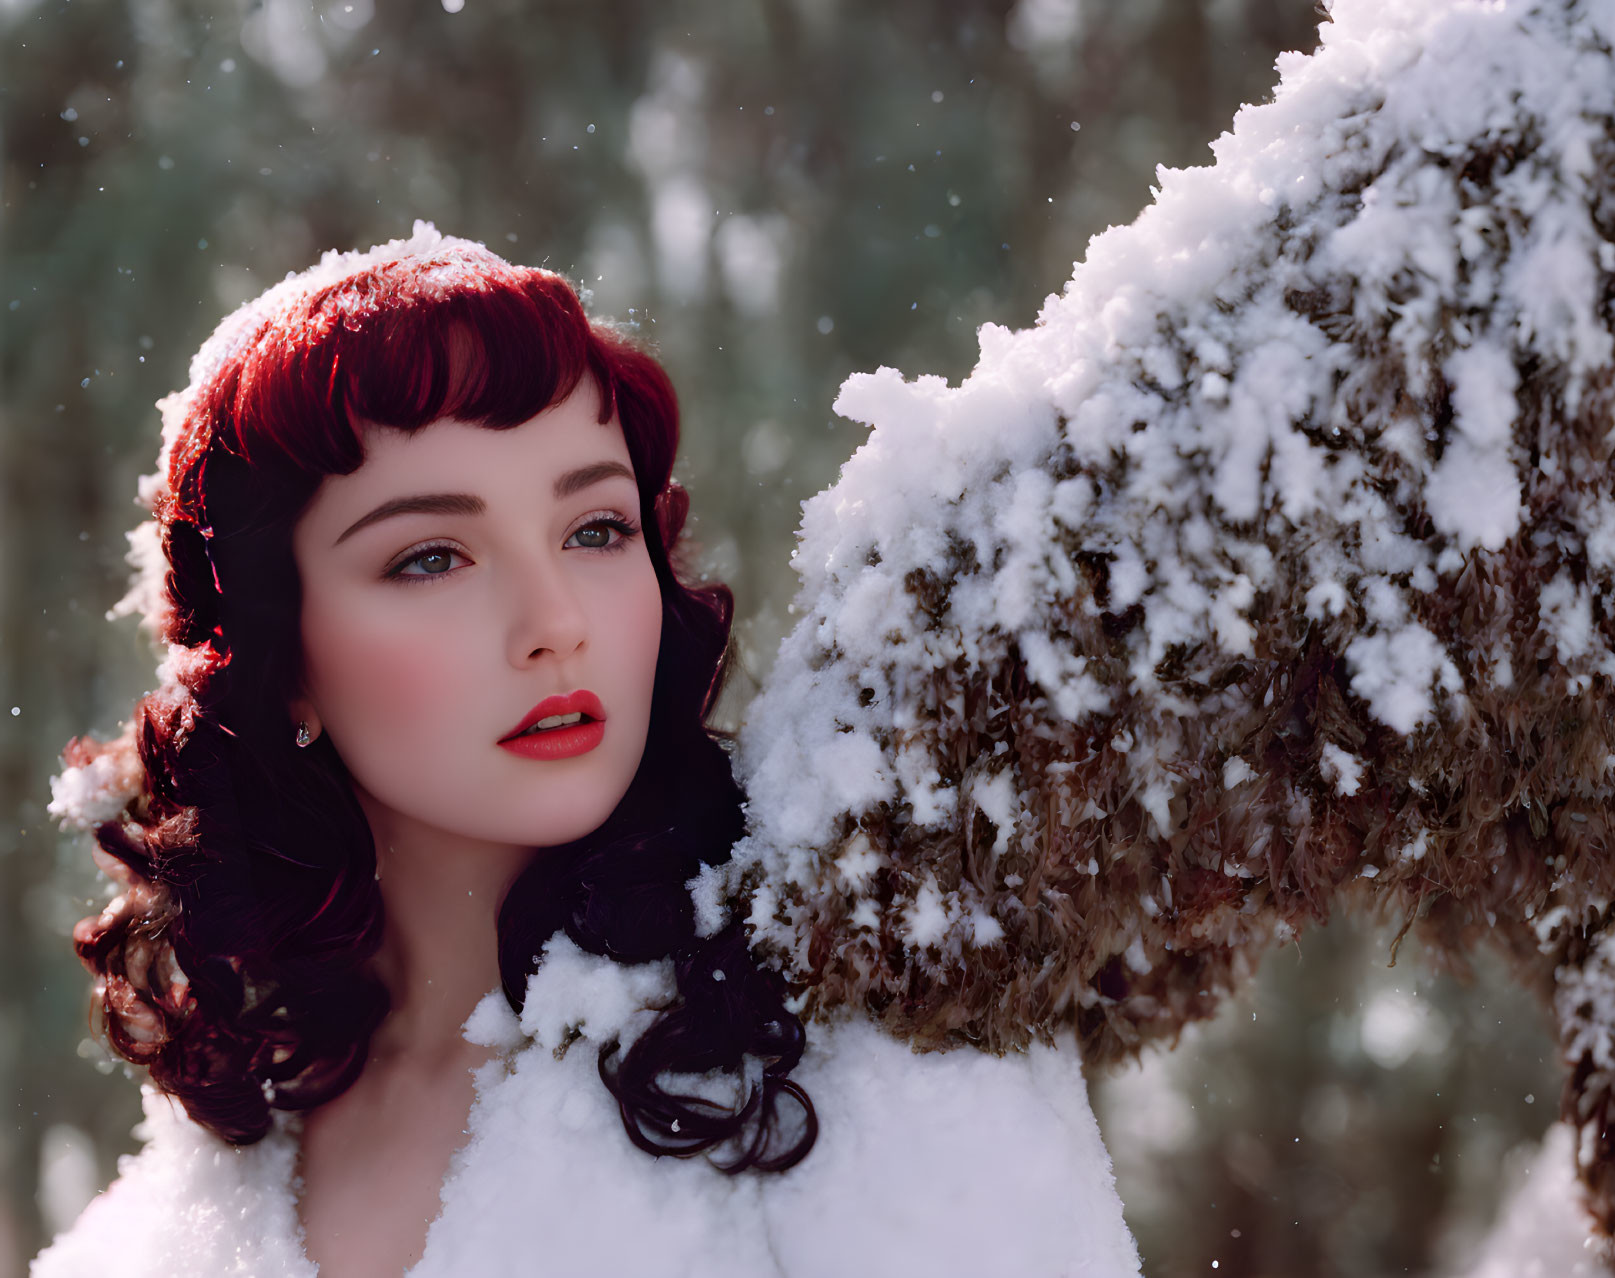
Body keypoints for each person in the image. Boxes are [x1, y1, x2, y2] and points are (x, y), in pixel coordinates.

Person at [33, 224, 1141, 1278]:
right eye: (430, 557)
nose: (554, 618)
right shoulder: (205, 1171)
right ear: (285, 665)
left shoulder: (860, 1056)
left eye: (595, 529)